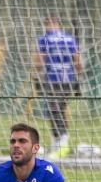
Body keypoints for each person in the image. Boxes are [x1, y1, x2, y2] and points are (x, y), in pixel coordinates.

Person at [33, 15, 82, 158]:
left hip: (53, 79)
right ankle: (58, 143)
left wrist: (36, 78)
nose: (48, 27)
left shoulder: (44, 39)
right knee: (59, 109)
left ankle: (62, 143)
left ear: (54, 24)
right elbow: (78, 60)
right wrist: (79, 80)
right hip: (68, 79)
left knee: (54, 110)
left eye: (48, 23)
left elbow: (39, 61)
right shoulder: (70, 39)